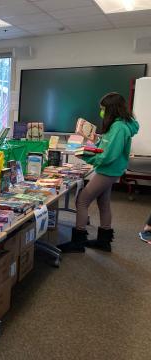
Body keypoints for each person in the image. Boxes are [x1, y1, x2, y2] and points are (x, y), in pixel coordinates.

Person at [58, 93, 139, 253]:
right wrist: (95, 139)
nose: (101, 112)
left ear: (111, 109)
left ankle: (78, 241)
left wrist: (86, 157)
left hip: (107, 170)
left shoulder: (118, 128)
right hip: (111, 170)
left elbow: (107, 156)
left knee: (82, 200)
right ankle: (104, 240)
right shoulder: (121, 124)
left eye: (103, 109)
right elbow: (107, 146)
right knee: (104, 202)